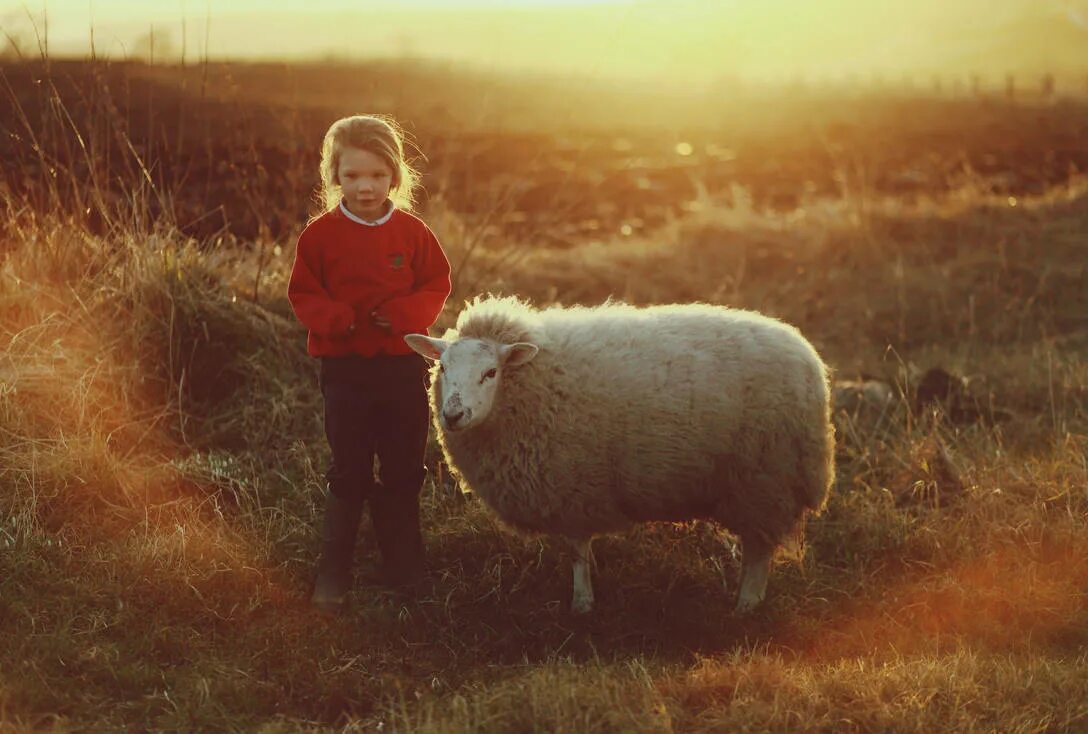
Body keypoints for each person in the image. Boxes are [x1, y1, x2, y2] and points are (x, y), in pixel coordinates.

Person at [287, 114, 451, 614]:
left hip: (402, 368)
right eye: (353, 175)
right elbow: (303, 293)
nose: (365, 187)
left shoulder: (412, 233)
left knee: (403, 466)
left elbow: (436, 284)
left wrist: (403, 317)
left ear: (395, 177)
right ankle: (333, 568)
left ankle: (404, 564)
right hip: (346, 373)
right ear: (335, 174)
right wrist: (334, 319)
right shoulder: (319, 237)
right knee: (351, 467)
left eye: (377, 176)